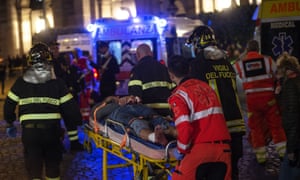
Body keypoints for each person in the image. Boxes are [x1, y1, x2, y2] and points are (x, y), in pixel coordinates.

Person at [4, 43, 83, 180]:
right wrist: (78, 121)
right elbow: (71, 108)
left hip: (30, 134)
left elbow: (9, 104)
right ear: (49, 61)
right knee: (53, 168)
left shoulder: (21, 82)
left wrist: (10, 123)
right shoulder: (57, 83)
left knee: (34, 170)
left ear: (30, 61)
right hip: (52, 133)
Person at [188, 25, 246, 180]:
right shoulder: (227, 62)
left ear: (197, 43)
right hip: (236, 125)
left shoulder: (198, 64)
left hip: (216, 130)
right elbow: (241, 93)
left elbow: (194, 95)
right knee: (232, 171)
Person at [167, 55, 232, 180]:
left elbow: (185, 128)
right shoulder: (207, 88)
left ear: (171, 75)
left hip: (199, 150)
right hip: (223, 150)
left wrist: (180, 151)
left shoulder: (179, 95)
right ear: (189, 70)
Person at [234, 39, 286, 165]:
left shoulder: (241, 64)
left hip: (252, 100)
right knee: (275, 125)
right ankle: (283, 153)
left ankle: (261, 157)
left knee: (256, 128)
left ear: (247, 49)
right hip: (269, 99)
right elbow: (277, 74)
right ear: (258, 49)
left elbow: (234, 71)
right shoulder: (267, 60)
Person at [91, 95, 177, 146]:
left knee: (136, 123)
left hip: (123, 111)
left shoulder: (99, 109)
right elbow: (97, 114)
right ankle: (175, 132)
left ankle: (154, 137)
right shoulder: (101, 107)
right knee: (154, 118)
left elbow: (96, 115)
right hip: (128, 108)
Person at [128, 43, 175, 117]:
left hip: (148, 111)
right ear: (151, 53)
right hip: (167, 110)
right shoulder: (163, 68)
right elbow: (174, 88)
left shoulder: (137, 69)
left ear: (137, 55)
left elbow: (134, 94)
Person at [275, 52, 300, 180]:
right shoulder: (296, 81)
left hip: (295, 140)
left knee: (287, 173)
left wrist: (291, 148)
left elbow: (293, 117)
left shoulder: (290, 84)